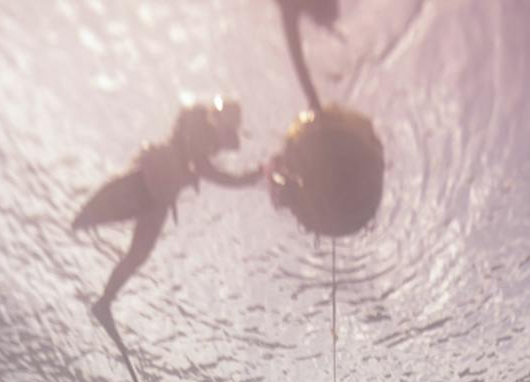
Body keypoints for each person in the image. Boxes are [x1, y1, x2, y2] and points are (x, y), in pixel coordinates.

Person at [71, 97, 261, 326]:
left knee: (138, 255)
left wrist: (253, 176)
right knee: (91, 219)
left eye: (227, 125)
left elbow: (217, 173)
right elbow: (208, 168)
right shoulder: (196, 119)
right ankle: (102, 297)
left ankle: (105, 302)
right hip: (145, 180)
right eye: (222, 120)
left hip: (158, 201)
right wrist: (249, 177)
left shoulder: (208, 142)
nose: (221, 127)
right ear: (216, 112)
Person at [276, 0, 340, 115]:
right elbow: (297, 58)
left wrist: (313, 99)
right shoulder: (289, 8)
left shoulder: (289, 9)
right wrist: (313, 99)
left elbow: (297, 58)